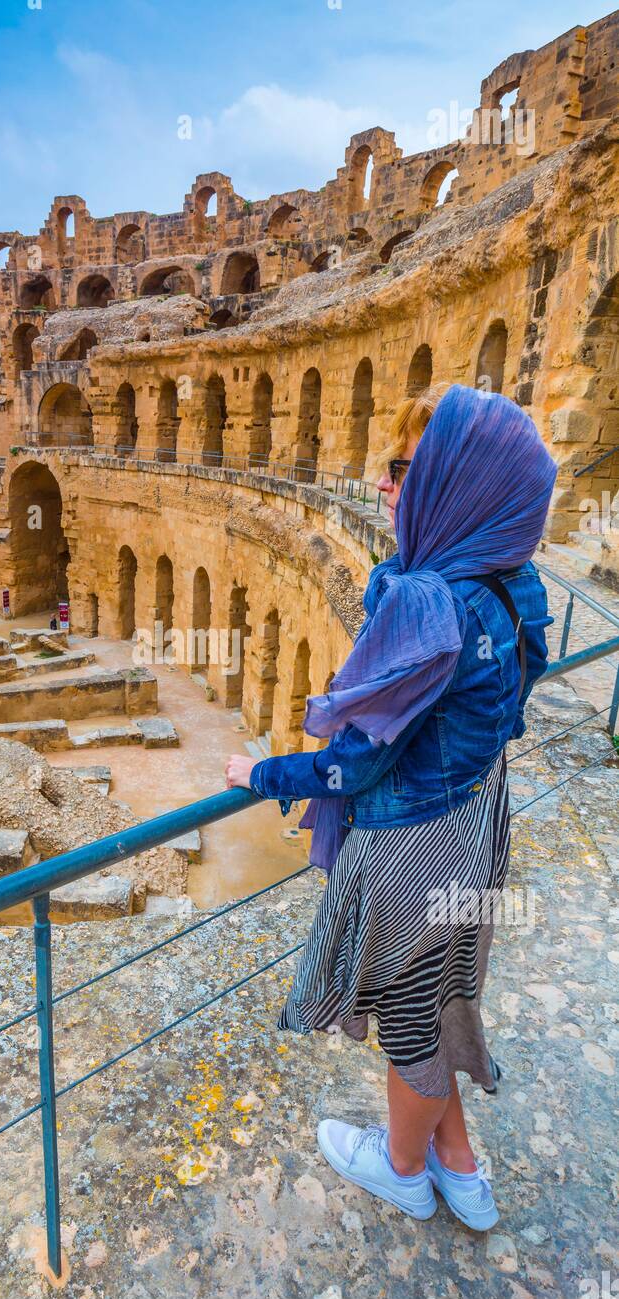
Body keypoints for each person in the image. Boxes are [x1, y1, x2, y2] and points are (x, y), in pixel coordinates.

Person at [225, 384, 555, 1231]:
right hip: (479, 823)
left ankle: (404, 1167)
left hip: (415, 844)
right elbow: (509, 708)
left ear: (455, 486)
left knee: (409, 1014)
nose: (384, 487)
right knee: (444, 991)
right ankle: (461, 1166)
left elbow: (355, 765)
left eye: (404, 470)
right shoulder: (513, 585)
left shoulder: (424, 601)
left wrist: (262, 776)